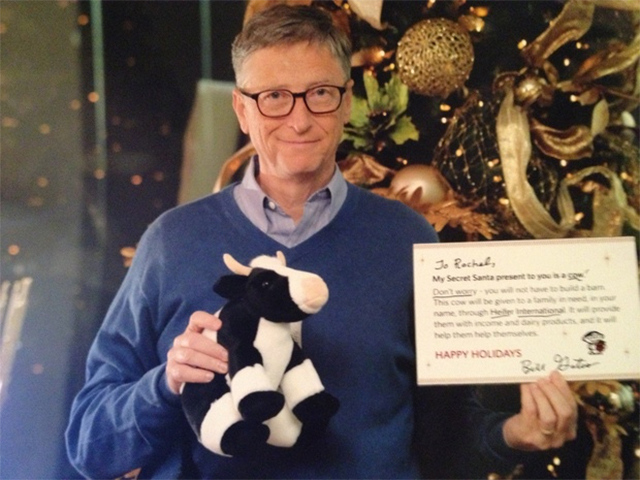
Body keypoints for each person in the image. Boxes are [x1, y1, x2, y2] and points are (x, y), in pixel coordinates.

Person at [66, 5, 578, 479]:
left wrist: (515, 434)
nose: (299, 119)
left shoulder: (407, 239)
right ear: (242, 109)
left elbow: (445, 440)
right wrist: (165, 384)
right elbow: (89, 445)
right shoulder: (172, 242)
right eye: (273, 97)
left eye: (320, 93)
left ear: (347, 101)